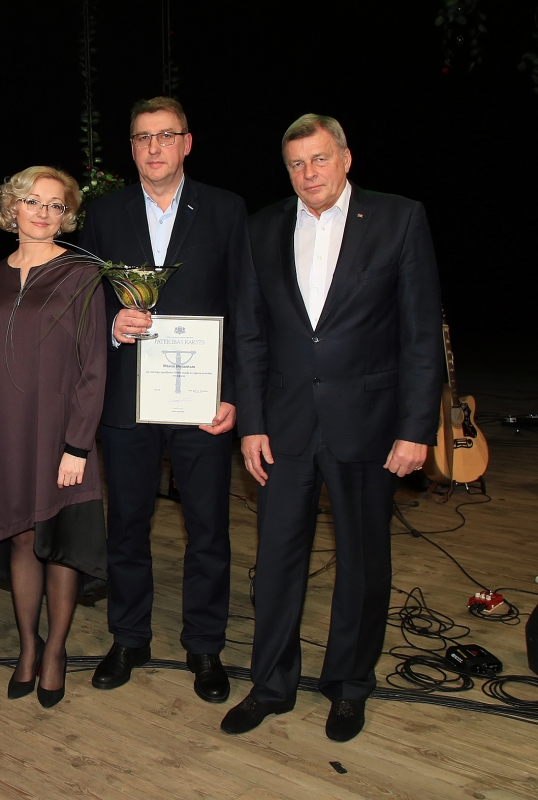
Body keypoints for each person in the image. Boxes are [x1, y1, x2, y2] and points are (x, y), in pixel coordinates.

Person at [224, 114, 443, 741]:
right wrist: (251, 423)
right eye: (296, 163)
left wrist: (416, 428)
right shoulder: (261, 228)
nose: (308, 173)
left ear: (346, 158)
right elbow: (249, 334)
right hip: (284, 427)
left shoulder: (399, 218)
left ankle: (348, 687)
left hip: (370, 425)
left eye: (319, 159)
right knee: (276, 562)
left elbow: (421, 334)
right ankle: (271, 685)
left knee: (363, 564)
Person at [79, 97, 252, 703]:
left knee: (208, 528)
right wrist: (112, 324)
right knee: (127, 524)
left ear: (186, 143)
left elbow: (245, 305)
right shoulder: (105, 214)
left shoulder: (226, 209)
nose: (154, 147)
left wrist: (234, 394)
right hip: (128, 396)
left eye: (166, 135)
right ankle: (129, 638)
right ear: (131, 148)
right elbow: (88, 299)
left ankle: (204, 645)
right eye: (142, 137)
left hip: (203, 400)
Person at [0, 166, 107, 709]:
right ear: (13, 208)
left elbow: (94, 367)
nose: (44, 212)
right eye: (33, 201)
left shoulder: (82, 273)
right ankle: (28, 646)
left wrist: (78, 445)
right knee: (22, 538)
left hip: (60, 431)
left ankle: (56, 653)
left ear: (66, 215)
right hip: (6, 431)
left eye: (56, 205)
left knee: (60, 541)